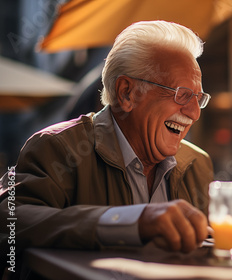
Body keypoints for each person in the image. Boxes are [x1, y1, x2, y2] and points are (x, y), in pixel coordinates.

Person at [0, 20, 213, 270]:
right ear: (127, 93)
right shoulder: (56, 147)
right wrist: (132, 222)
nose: (194, 113)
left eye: (198, 98)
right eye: (182, 94)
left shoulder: (198, 163)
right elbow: (9, 221)